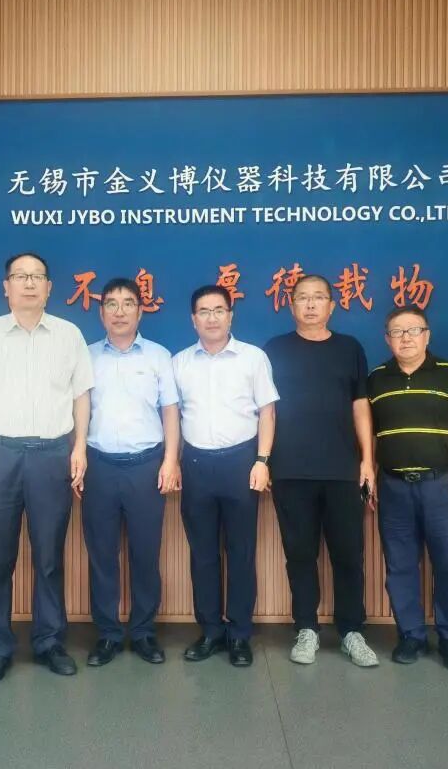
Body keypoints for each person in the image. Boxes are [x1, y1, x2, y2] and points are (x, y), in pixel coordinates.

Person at [0, 252, 94, 682]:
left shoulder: (69, 335)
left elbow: (81, 396)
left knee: (49, 556)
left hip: (53, 454)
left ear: (49, 288)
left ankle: (50, 642)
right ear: (6, 287)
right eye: (20, 276)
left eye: (37, 277)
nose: (29, 283)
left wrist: (79, 447)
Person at [263, 274, 379, 668]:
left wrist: (367, 460)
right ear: (290, 305)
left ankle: (351, 631)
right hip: (291, 469)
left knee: (349, 554)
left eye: (318, 298)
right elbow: (267, 411)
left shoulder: (350, 348)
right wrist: (265, 460)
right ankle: (306, 628)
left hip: (343, 469)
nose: (310, 304)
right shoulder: (274, 350)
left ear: (332, 305)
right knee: (300, 554)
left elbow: (360, 406)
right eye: (302, 298)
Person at [368, 306, 448, 670]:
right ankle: (411, 635)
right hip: (394, 486)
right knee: (399, 564)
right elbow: (369, 432)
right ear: (387, 339)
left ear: (427, 335)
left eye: (413, 330)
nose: (406, 338)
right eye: (397, 332)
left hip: (443, 485)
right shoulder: (376, 379)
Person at [172, 284, 278, 667]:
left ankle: (240, 634)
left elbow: (267, 412)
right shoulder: (179, 363)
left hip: (241, 463)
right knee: (202, 554)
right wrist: (174, 462)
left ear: (231, 315)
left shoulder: (253, 358)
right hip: (196, 464)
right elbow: (172, 417)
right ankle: (211, 632)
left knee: (241, 552)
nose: (212, 318)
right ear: (193, 319)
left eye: (219, 310)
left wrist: (262, 460)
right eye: (204, 311)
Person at [82, 278, 181, 667]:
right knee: (101, 555)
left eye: (127, 304)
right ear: (101, 312)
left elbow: (170, 410)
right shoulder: (86, 356)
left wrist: (171, 460)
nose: (119, 311)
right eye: (111, 304)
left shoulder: (158, 356)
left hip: (146, 466)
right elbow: (77, 412)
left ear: (140, 312)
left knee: (145, 553)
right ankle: (107, 634)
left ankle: (143, 632)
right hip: (98, 466)